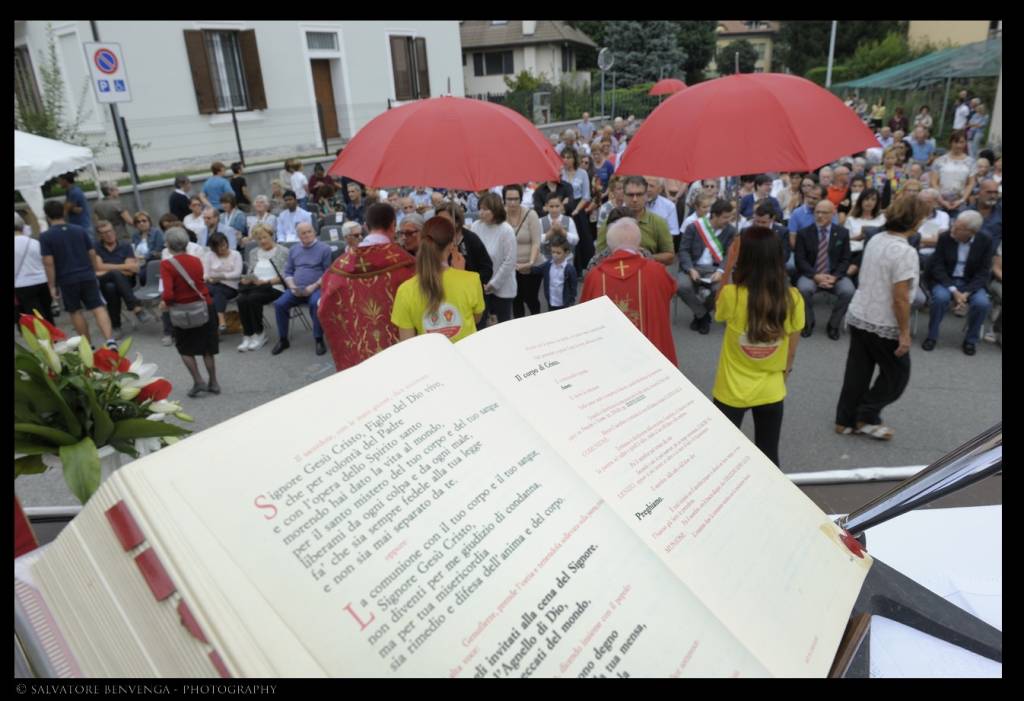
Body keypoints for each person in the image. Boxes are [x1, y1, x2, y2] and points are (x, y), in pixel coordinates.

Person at [835, 195, 928, 440]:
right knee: (897, 377)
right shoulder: (905, 252)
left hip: (860, 313)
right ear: (916, 221)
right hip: (883, 322)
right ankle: (865, 415)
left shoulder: (875, 238)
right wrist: (905, 333)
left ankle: (844, 421)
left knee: (857, 370)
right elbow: (900, 298)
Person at [711, 226, 803, 466]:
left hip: (730, 389)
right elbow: (791, 351)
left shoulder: (732, 295)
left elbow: (718, 309)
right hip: (771, 388)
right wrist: (784, 375)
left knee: (722, 456)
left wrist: (728, 264)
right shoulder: (793, 298)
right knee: (769, 455)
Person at [318, 202, 416, 371]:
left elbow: (325, 306)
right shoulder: (406, 263)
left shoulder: (340, 266)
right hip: (400, 351)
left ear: (365, 226)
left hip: (361, 353)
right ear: (393, 225)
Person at [580, 217, 678, 365]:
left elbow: (584, 314)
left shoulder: (594, 276)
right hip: (651, 356)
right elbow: (670, 291)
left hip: (608, 358)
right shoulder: (656, 271)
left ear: (610, 245)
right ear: (639, 244)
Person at [391, 216, 485, 343]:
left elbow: (407, 342)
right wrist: (461, 274)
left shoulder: (405, 290)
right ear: (452, 245)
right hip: (465, 358)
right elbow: (475, 319)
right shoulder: (472, 280)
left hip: (429, 360)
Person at [39, 200, 115, 346]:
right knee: (98, 307)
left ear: (47, 216)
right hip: (87, 274)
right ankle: (110, 340)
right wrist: (94, 269)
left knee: (75, 311)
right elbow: (91, 252)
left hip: (66, 279)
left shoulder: (46, 236)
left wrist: (52, 285)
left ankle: (87, 345)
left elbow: (49, 262)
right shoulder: (79, 229)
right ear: (63, 212)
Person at [922, 210, 993, 356]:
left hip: (970, 282)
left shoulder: (985, 240)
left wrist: (966, 293)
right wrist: (954, 291)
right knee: (940, 298)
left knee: (982, 304)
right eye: (954, 224)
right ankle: (931, 337)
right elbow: (938, 267)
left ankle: (970, 341)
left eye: (958, 228)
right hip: (946, 279)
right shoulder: (945, 237)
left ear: (971, 232)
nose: (952, 229)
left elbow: (983, 272)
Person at [160, 227, 220, 397]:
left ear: (169, 245)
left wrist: (165, 303)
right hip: (203, 306)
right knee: (208, 347)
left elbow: (169, 294)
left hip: (182, 311)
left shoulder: (166, 265)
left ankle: (198, 381)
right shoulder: (196, 260)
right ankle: (213, 382)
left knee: (185, 348)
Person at [795, 199, 853, 340]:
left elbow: (845, 259)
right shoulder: (804, 233)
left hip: (834, 275)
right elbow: (800, 260)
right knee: (803, 289)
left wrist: (835, 277)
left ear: (833, 213)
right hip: (811, 274)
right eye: (817, 212)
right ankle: (808, 323)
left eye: (825, 212)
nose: (820, 215)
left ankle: (833, 325)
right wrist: (815, 276)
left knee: (848, 290)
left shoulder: (842, 233)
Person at [677, 199, 738, 334]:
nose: (728, 220)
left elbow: (729, 255)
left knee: (720, 290)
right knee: (681, 286)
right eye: (725, 217)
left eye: (730, 217)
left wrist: (721, 271)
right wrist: (690, 269)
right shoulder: (694, 227)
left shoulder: (730, 231)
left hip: (714, 269)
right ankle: (703, 315)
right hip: (693, 266)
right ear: (714, 215)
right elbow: (683, 250)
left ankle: (699, 315)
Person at [271, 221, 332, 356]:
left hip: (316, 288)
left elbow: (328, 273)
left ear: (314, 232)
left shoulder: (324, 249)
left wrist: (313, 286)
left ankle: (318, 338)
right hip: (295, 288)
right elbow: (288, 272)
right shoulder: (294, 250)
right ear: (298, 235)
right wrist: (292, 287)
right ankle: (283, 339)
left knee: (314, 304)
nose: (307, 235)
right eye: (303, 233)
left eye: (309, 231)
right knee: (279, 304)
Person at [596, 176, 674, 265]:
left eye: (639, 194)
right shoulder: (610, 222)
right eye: (630, 195)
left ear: (646, 196)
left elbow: (670, 257)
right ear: (623, 195)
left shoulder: (658, 222)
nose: (635, 199)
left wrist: (645, 256)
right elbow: (599, 255)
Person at [236, 224, 289, 352]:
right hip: (256, 286)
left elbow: (285, 275)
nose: (262, 241)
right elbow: (251, 271)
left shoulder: (283, 251)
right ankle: (248, 334)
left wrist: (266, 282)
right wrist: (247, 279)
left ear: (272, 236)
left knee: (253, 299)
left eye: (265, 237)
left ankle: (260, 334)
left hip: (275, 286)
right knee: (241, 299)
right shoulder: (254, 252)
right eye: (259, 239)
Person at [94, 220, 151, 338]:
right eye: (104, 233)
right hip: (104, 280)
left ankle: (116, 326)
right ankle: (136, 307)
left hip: (126, 281)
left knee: (111, 288)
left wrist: (108, 267)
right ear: (100, 235)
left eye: (110, 231)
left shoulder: (125, 245)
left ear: (114, 231)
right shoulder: (96, 247)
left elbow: (132, 270)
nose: (109, 234)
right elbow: (98, 267)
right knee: (114, 275)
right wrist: (121, 268)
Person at [471, 193, 517, 325]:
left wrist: (494, 284)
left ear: (495, 210)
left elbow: (509, 261)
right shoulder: (476, 226)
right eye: (480, 208)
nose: (481, 212)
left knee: (503, 324)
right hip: (481, 285)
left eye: (485, 209)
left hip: (503, 286)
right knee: (481, 324)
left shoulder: (506, 230)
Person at [433, 201, 492, 293]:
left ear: (457, 221)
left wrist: (472, 283)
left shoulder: (471, 239)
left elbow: (487, 268)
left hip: (470, 292)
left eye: (446, 220)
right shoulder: (435, 241)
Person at [504, 185, 542, 318]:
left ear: (521, 199)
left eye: (516, 199)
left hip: (531, 266)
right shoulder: (501, 216)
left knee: (531, 299)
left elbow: (536, 242)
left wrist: (530, 262)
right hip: (511, 267)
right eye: (509, 199)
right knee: (516, 300)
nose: (513, 202)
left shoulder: (531, 214)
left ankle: (537, 323)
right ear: (504, 200)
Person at [14, 212, 53, 324]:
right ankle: (54, 339)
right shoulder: (35, 243)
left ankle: (42, 340)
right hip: (42, 281)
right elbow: (45, 262)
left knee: (34, 318)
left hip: (22, 284)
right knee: (47, 313)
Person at [560, 148, 594, 274]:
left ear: (574, 159)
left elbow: (586, 196)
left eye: (569, 157)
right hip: (563, 209)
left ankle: (580, 268)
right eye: (564, 157)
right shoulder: (560, 173)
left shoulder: (582, 173)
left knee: (581, 238)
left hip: (578, 208)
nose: (566, 160)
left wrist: (576, 210)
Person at [203, 231, 243, 332]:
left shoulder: (236, 254)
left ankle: (216, 325)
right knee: (214, 291)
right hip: (211, 285)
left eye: (224, 245)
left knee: (216, 294)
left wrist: (220, 277)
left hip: (230, 287)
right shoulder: (209, 255)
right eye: (218, 248)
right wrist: (211, 278)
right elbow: (205, 274)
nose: (222, 249)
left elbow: (237, 274)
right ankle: (220, 322)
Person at [931, 131, 975, 216]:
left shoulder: (971, 162)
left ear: (965, 143)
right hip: (940, 201)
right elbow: (933, 182)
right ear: (951, 142)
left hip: (960, 202)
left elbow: (971, 183)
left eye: (962, 142)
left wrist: (962, 200)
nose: (958, 145)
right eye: (956, 142)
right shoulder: (939, 161)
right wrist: (942, 200)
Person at [530, 233, 577, 312]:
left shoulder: (569, 269)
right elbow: (535, 270)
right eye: (553, 252)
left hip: (564, 304)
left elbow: (573, 287)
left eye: (558, 253)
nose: (555, 255)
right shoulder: (548, 265)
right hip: (551, 302)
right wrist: (526, 266)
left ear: (567, 253)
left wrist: (571, 302)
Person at [845, 188, 886, 278]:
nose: (869, 202)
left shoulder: (882, 219)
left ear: (877, 202)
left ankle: (853, 269)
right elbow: (845, 240)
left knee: (870, 245)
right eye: (866, 199)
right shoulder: (851, 220)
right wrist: (858, 237)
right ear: (861, 201)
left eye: (873, 199)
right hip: (856, 251)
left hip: (877, 253)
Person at [130, 210, 164, 286]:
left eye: (144, 221)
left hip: (151, 261)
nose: (141, 223)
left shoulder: (157, 233)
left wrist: (144, 257)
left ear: (149, 222)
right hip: (137, 261)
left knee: (142, 273)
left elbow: (158, 250)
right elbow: (132, 249)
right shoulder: (135, 235)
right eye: (138, 222)